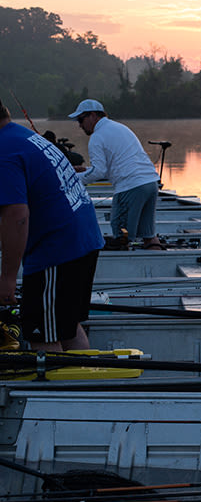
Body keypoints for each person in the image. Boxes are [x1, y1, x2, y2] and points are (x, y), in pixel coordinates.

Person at [0, 99, 105, 351]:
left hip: (56, 250)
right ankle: (84, 385)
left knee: (42, 334)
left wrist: (7, 278)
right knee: (66, 326)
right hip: (84, 240)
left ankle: (56, 388)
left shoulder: (3, 151)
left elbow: (17, 215)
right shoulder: (23, 136)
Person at [68, 99, 163, 249]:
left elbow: (99, 172)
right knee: (149, 236)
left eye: (81, 119)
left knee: (121, 237)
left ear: (93, 116)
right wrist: (85, 170)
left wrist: (71, 179)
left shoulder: (97, 137)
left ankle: (125, 268)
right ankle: (157, 260)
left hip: (130, 187)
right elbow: (112, 166)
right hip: (150, 184)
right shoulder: (120, 128)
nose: (79, 125)